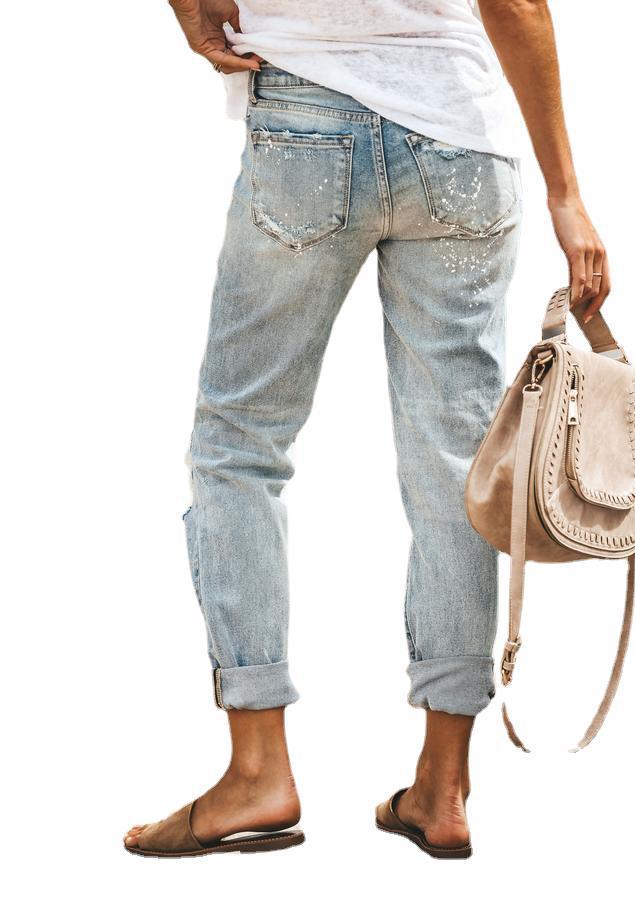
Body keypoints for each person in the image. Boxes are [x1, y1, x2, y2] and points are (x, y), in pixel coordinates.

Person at [124, 0, 610, 859]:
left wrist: (192, 13)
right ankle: (443, 788)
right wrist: (566, 194)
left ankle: (257, 771)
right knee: (456, 467)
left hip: (306, 125)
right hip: (460, 143)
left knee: (241, 444)